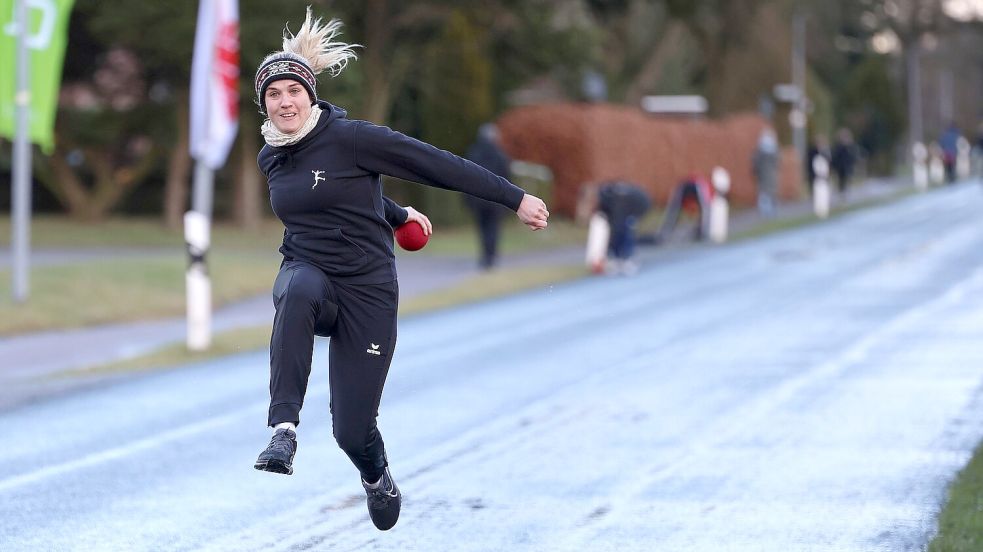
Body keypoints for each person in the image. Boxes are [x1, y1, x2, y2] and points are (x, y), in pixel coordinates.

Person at [250, 8, 549, 532]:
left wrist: (514, 198)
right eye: (274, 95)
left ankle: (376, 477)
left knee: (352, 429)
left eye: (292, 90)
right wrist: (393, 212)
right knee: (295, 289)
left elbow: (436, 163)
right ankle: (283, 429)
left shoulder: (353, 138)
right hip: (310, 272)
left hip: (367, 289)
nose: (285, 102)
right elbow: (327, 202)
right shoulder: (271, 158)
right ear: (265, 105)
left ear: (310, 93)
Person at [464, 123, 512, 270]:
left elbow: (465, 177)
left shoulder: (473, 152)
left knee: (483, 228)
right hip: (496, 200)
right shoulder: (500, 154)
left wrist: (467, 200)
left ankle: (485, 256)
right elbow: (507, 177)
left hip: (478, 199)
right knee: (493, 228)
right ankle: (491, 256)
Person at [752, 128, 779, 217]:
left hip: (763, 176)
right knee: (770, 194)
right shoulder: (773, 151)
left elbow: (755, 164)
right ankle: (770, 212)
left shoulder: (760, 152)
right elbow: (777, 163)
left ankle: (766, 213)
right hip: (770, 176)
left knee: (765, 194)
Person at [830, 128, 857, 197]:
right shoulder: (838, 147)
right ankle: (841, 193)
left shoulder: (850, 147)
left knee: (847, 180)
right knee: (841, 181)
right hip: (840, 168)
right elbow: (835, 157)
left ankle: (845, 193)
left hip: (847, 167)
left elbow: (853, 157)